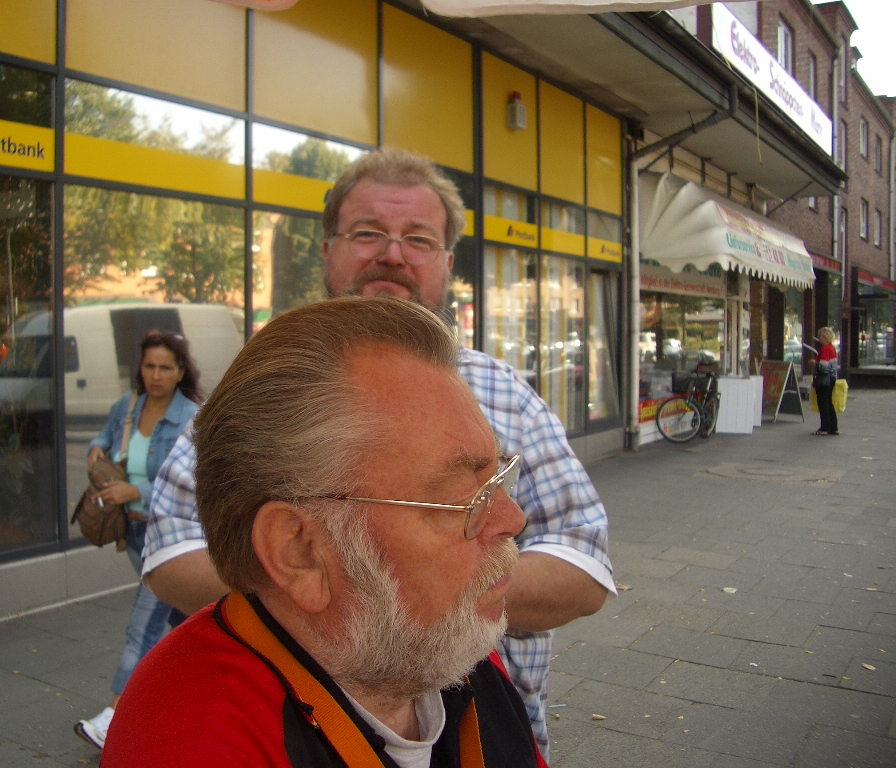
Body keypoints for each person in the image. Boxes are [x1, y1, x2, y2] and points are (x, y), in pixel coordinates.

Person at [141, 148, 615, 757]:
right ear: (327, 250)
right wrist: (345, 591)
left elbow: (585, 565)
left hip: (495, 738)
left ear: (447, 263)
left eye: (418, 239)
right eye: (367, 233)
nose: (392, 254)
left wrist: (435, 589)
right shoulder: (264, 385)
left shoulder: (506, 391)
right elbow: (170, 553)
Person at [103, 296, 545, 767]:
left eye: (497, 477)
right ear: (300, 551)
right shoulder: (191, 744)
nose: (511, 519)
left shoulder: (446, 648)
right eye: (463, 499)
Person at [73, 331, 202, 750]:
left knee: (142, 627)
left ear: (181, 372)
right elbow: (105, 436)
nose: (156, 375)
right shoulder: (128, 407)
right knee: (186, 621)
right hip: (132, 532)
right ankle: (202, 693)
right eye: (149, 366)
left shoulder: (191, 418)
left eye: (166, 367)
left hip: (171, 535)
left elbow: (195, 483)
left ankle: (113, 718)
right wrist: (96, 449)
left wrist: (136, 491)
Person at [811, 326, 839, 436]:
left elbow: (824, 366)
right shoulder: (832, 348)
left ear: (824, 337)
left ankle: (824, 428)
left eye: (820, 336)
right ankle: (833, 427)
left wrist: (815, 363)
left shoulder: (825, 349)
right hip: (832, 378)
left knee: (823, 404)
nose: (819, 338)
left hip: (824, 379)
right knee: (829, 403)